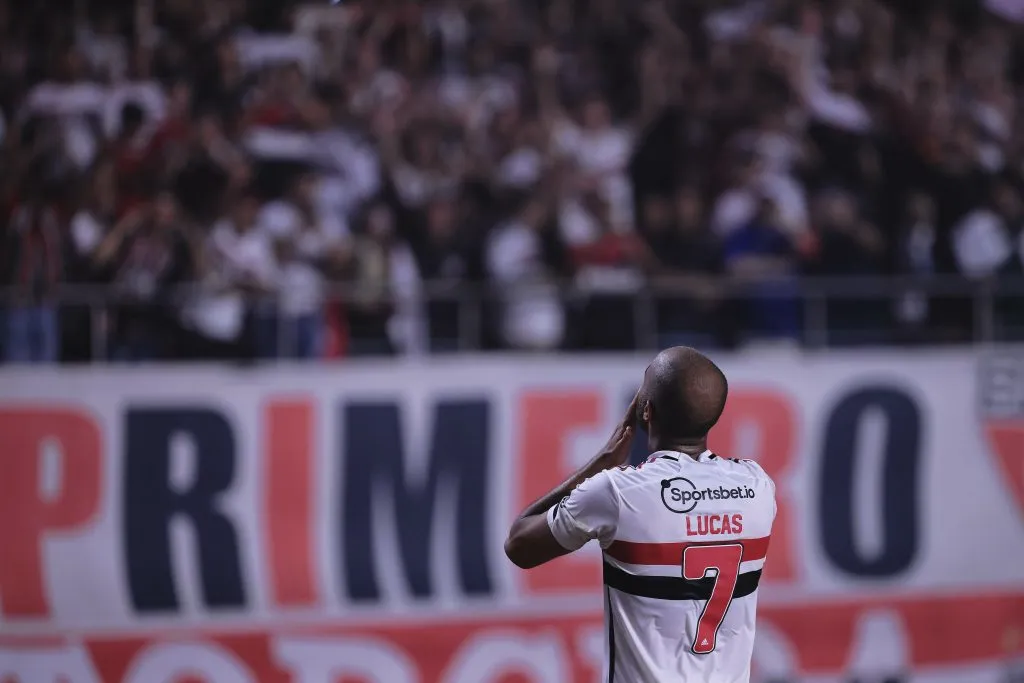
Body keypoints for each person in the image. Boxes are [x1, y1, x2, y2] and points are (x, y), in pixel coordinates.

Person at [505, 346, 776, 683]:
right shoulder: (756, 485)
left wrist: (601, 462)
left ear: (645, 410)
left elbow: (519, 545)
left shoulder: (618, 492)